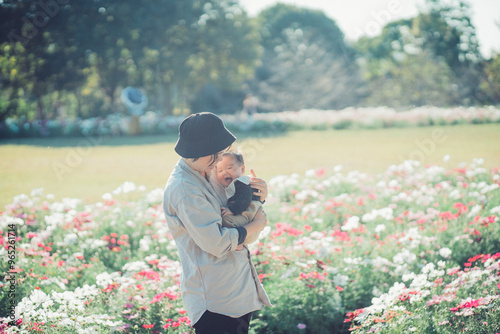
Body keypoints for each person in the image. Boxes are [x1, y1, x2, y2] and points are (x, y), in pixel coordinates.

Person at [162, 112, 271, 334]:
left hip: (235, 289)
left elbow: (234, 217)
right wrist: (254, 227)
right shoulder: (185, 189)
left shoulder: (205, 172)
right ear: (199, 152)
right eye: (216, 155)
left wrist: (257, 196)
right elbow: (217, 242)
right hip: (215, 300)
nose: (220, 161)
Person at [216, 151, 265, 244]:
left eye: (229, 168)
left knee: (225, 220)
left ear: (242, 169)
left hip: (249, 214)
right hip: (249, 222)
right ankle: (240, 242)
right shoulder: (232, 185)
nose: (225, 172)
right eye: (220, 170)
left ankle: (239, 242)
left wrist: (232, 210)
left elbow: (244, 199)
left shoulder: (241, 183)